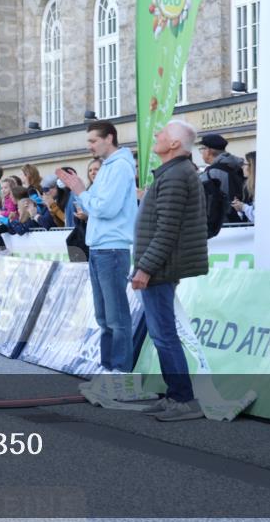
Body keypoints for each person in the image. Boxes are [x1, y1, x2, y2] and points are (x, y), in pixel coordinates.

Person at [131, 120, 209, 421]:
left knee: (164, 334)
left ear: (175, 144)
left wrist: (145, 268)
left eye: (162, 134)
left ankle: (183, 399)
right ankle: (175, 395)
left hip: (161, 267)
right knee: (161, 332)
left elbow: (167, 230)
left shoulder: (176, 175)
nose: (157, 136)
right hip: (160, 266)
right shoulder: (172, 173)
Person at [57, 120, 138, 372]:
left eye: (93, 141)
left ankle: (120, 376)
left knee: (116, 319)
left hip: (112, 249)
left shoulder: (120, 166)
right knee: (104, 319)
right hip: (101, 248)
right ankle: (109, 373)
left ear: (109, 138)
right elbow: (100, 207)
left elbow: (105, 208)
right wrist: (84, 194)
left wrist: (81, 190)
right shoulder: (109, 167)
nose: (89, 146)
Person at [198, 133, 246, 228]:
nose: (202, 152)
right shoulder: (237, 167)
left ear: (209, 151)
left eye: (202, 149)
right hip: (239, 221)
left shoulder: (212, 173)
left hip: (221, 225)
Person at [231, 150, 256, 223]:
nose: (242, 167)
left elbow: (258, 217)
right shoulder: (249, 186)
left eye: (245, 164)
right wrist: (240, 208)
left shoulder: (262, 188)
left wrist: (243, 207)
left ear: (252, 166)